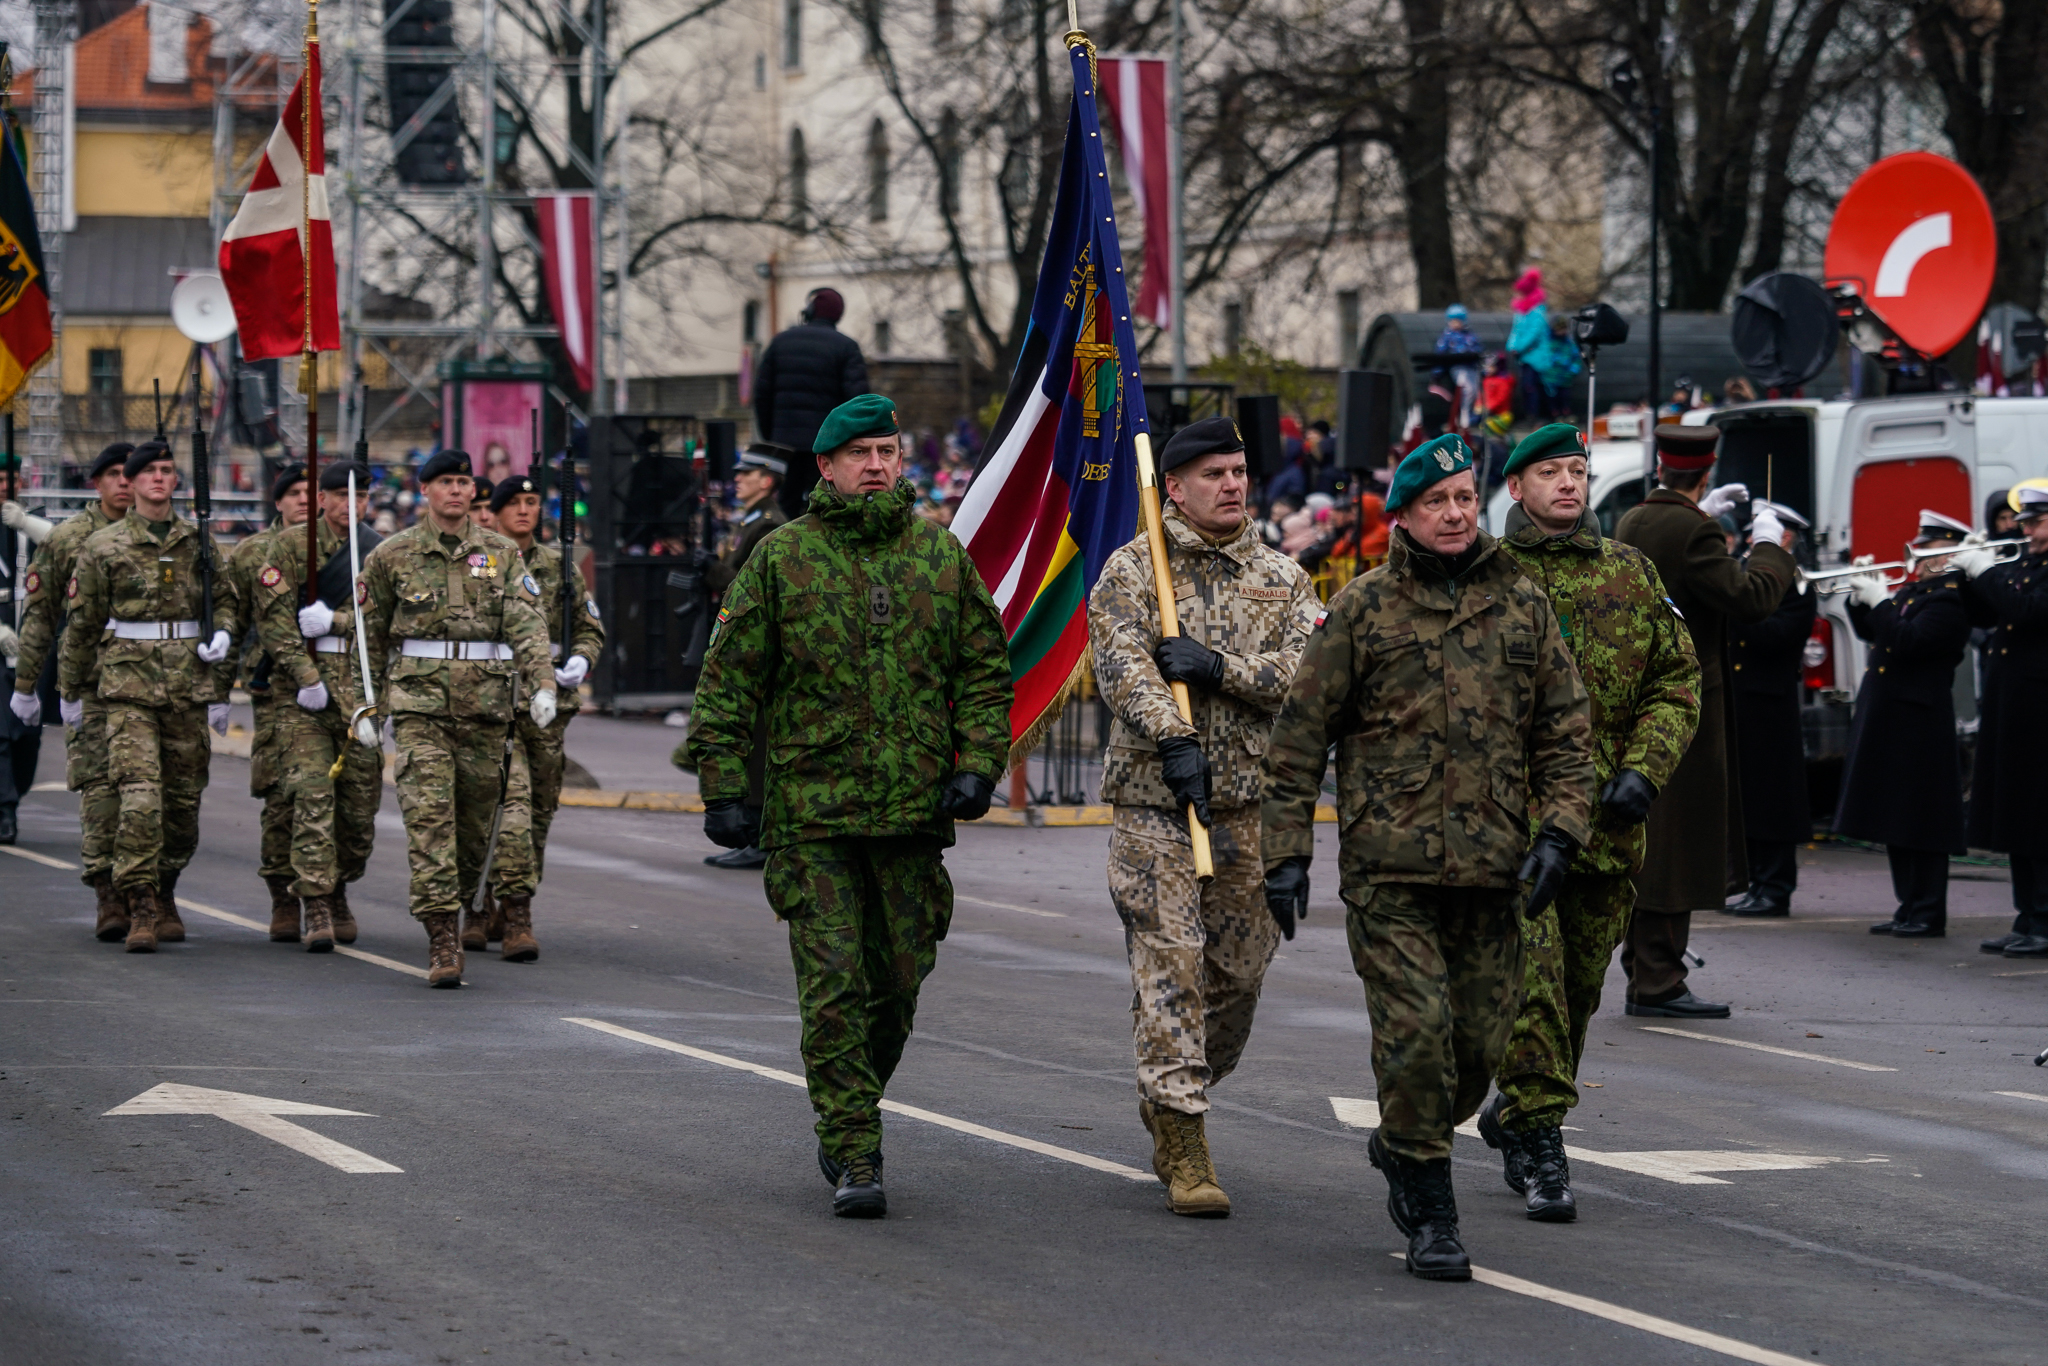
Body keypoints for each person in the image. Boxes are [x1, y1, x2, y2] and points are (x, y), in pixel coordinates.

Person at [1261, 434, 1594, 1281]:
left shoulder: (1520, 600)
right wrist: (1286, 855)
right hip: (1391, 872)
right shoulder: (1364, 610)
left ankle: (1405, 1141)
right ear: (1403, 516)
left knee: (1477, 1053)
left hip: (1494, 872)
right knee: (1416, 1041)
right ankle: (1429, 1206)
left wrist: (1560, 832)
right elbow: (1301, 737)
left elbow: (1565, 733)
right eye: (1436, 501)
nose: (1454, 513)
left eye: (1463, 498)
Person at [686, 394, 1011, 1219]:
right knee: (832, 984)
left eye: (889, 450)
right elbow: (729, 684)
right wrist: (724, 788)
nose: (876, 465)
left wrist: (977, 766)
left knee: (896, 987)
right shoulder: (782, 559)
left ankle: (848, 1102)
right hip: (813, 817)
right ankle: (855, 1144)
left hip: (910, 816)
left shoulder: (940, 557)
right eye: (860, 452)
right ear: (825, 467)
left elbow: (981, 672)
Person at [1087, 415, 1319, 1217]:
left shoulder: (1284, 578)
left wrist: (1221, 670)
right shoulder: (1134, 569)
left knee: (1238, 976)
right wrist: (1174, 735)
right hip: (1157, 803)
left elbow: (1304, 674)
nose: (1231, 485)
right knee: (1173, 962)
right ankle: (1184, 1137)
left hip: (1249, 806)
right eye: (1213, 474)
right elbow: (1120, 662)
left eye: (1239, 470)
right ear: (1174, 488)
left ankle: (1174, 1082)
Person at [1476, 424, 1700, 1223]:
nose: (1568, 484)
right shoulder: (1483, 575)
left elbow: (1677, 679)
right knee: (1530, 987)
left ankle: (1519, 1106)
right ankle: (1541, 1144)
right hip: (1516, 829)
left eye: (1578, 470)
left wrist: (1647, 767)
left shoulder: (1629, 572)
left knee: (1576, 990)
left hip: (1608, 830)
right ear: (1516, 488)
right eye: (1550, 472)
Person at [1613, 425, 1795, 1016]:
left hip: (1641, 693)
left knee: (1654, 834)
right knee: (1680, 838)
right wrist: (1770, 546)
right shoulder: (1694, 531)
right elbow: (1751, 598)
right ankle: (1659, 979)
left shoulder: (1634, 519)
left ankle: (1644, 968)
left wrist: (1704, 518)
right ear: (1707, 470)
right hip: (1689, 697)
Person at [358, 450, 556, 986]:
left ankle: (468, 899)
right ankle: (441, 936)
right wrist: (365, 706)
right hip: (420, 712)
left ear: (474, 492)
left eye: (464, 482)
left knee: (476, 830)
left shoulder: (500, 554)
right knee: (429, 823)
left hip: (486, 711)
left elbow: (526, 622)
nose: (456, 490)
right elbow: (367, 642)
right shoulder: (391, 555)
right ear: (425, 490)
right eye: (445, 481)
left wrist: (542, 682)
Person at [57, 442, 239, 952]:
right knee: (139, 798)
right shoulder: (104, 546)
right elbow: (83, 623)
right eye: (148, 472)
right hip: (127, 691)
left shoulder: (198, 542)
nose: (159, 479)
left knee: (182, 805)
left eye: (166, 470)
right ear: (131, 483)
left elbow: (224, 600)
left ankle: (167, 890)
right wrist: (69, 689)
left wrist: (222, 635)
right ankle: (138, 902)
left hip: (187, 688)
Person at [251, 462, 384, 953]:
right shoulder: (288, 547)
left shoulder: (380, 551)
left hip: (359, 691)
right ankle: (317, 902)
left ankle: (340, 883)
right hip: (300, 695)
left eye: (361, 497)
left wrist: (339, 619)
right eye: (342, 496)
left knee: (358, 812)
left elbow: (388, 617)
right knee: (311, 796)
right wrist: (305, 677)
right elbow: (274, 621)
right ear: (323, 499)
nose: (352, 506)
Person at [9, 444, 133, 929]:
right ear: (96, 483)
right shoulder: (66, 539)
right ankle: (108, 894)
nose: (125, 482)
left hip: (156, 687)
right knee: (100, 792)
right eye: (114, 474)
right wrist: (25, 685)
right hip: (90, 683)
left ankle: (151, 893)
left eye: (132, 474)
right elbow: (40, 617)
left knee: (157, 796)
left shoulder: (167, 536)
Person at [483, 472, 605, 959]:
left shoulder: (560, 567)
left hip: (549, 707)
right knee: (506, 809)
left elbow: (589, 627)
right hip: (493, 700)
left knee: (538, 813)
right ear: (494, 511)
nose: (524, 510)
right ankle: (514, 914)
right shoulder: (481, 562)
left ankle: (500, 900)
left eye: (532, 501)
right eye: (514, 502)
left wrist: (582, 659)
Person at [1835, 511, 1974, 938]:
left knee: (1924, 818)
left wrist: (1881, 600)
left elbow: (1910, 642)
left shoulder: (1949, 600)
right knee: (1898, 814)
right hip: (1894, 715)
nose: (1922, 554)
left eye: (1931, 546)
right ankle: (1907, 905)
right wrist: (1859, 598)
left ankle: (1928, 911)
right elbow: (1874, 632)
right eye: (1923, 545)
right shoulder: (1917, 591)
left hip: (1920, 719)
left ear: (1949, 552)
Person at [692, 441, 793, 872]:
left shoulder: (769, 524)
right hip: (740, 640)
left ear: (766, 480)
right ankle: (753, 831)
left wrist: (711, 570)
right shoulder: (751, 520)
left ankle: (759, 833)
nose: (736, 480)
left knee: (758, 742)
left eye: (745, 474)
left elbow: (749, 586)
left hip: (758, 643)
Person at [1957, 485, 2048, 956]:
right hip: (2013, 704)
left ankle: (2044, 920)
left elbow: (2028, 610)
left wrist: (1988, 572)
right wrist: (1969, 574)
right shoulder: (2027, 565)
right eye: (2025, 521)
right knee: (2016, 814)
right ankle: (2026, 915)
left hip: (2040, 711)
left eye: (2035, 521)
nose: (2025, 529)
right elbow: (1986, 612)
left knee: (2039, 818)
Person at [228, 464, 314, 941]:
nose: (304, 499)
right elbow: (232, 622)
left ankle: (330, 891)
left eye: (311, 491)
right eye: (294, 492)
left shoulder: (344, 549)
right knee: (281, 795)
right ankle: (284, 897)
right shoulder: (252, 554)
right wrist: (216, 692)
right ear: (277, 502)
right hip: (275, 690)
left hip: (333, 688)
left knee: (338, 799)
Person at [1722, 501, 1819, 918]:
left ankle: (1775, 886)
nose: (1749, 541)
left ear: (1785, 539)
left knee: (1773, 800)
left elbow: (1775, 635)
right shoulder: (1751, 579)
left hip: (1770, 704)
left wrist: (1738, 607)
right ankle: (1756, 880)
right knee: (1749, 799)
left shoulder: (1795, 588)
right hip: (1743, 699)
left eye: (1761, 534)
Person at [752, 287, 871, 517]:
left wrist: (773, 436)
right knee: (825, 507)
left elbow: (761, 396)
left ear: (809, 310)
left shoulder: (779, 343)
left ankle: (785, 553)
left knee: (785, 508)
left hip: (784, 445)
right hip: (827, 447)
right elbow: (857, 403)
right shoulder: (846, 347)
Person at [1506, 269, 1550, 423]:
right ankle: (1530, 415)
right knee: (1526, 387)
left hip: (1535, 357)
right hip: (1524, 356)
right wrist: (1511, 345)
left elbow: (1534, 333)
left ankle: (1536, 416)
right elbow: (1516, 330)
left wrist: (1518, 347)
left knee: (1532, 386)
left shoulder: (1537, 312)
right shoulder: (1521, 312)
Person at [1435, 305, 1485, 426]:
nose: (1455, 323)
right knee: (1466, 389)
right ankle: (1464, 415)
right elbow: (1440, 354)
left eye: (1458, 321)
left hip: (1472, 367)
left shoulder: (1470, 336)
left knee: (1474, 391)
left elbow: (1478, 350)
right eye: (1452, 321)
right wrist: (1437, 373)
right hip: (1458, 367)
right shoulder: (1447, 336)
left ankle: (1472, 415)